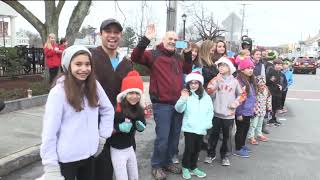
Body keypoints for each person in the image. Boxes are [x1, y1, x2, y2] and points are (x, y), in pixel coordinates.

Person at [40, 45, 114, 180]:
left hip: (90, 155)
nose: (84, 69)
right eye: (78, 64)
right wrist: (50, 166)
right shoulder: (58, 92)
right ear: (68, 65)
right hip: (67, 159)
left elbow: (108, 110)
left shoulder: (94, 86)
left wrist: (102, 137)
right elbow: (49, 132)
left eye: (87, 64)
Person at [131, 24, 192, 180]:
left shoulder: (178, 57)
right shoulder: (154, 54)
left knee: (174, 137)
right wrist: (146, 39)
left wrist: (188, 53)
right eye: (170, 38)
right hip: (162, 104)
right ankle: (156, 165)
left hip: (178, 103)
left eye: (175, 39)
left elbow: (188, 70)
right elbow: (135, 57)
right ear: (163, 40)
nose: (173, 41)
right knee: (163, 138)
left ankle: (167, 162)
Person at [90, 18, 133, 180]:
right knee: (101, 168)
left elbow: (131, 93)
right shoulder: (91, 58)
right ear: (100, 34)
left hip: (121, 123)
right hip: (97, 123)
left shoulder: (126, 63)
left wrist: (133, 117)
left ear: (120, 35)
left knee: (123, 168)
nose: (112, 36)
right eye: (108, 31)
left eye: (116, 32)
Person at [205, 57, 246, 166]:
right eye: (220, 65)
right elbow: (208, 92)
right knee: (213, 135)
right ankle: (210, 154)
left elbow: (242, 95)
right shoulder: (215, 79)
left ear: (229, 68)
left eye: (224, 65)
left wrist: (235, 103)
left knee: (227, 137)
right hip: (215, 113)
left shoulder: (235, 81)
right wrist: (215, 86)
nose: (221, 67)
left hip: (229, 115)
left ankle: (225, 156)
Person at [175, 72, 213, 179]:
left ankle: (193, 167)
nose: (193, 85)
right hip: (189, 127)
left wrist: (208, 123)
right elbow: (178, 109)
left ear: (200, 84)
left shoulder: (206, 97)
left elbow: (210, 110)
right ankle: (185, 167)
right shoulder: (187, 95)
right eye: (191, 83)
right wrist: (183, 99)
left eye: (196, 83)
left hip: (201, 127)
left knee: (197, 149)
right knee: (189, 148)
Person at [110, 70, 146, 180]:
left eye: (137, 93)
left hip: (130, 147)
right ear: (125, 94)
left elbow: (141, 123)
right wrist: (118, 128)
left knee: (134, 176)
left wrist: (141, 126)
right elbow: (107, 128)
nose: (134, 96)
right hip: (117, 149)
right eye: (131, 93)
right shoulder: (117, 109)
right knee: (122, 177)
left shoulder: (139, 108)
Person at [234, 58, 257, 158]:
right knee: (240, 130)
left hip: (248, 111)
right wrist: (238, 113)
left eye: (252, 67)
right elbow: (238, 99)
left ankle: (242, 145)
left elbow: (252, 97)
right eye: (248, 68)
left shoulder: (250, 80)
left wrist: (253, 109)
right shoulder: (240, 82)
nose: (250, 70)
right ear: (242, 70)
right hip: (242, 111)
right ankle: (238, 148)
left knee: (245, 129)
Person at [247, 76, 272, 145]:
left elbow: (269, 99)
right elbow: (251, 101)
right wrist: (252, 110)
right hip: (255, 111)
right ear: (257, 84)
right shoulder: (254, 91)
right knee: (253, 124)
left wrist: (269, 108)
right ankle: (251, 136)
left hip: (263, 110)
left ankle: (259, 134)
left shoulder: (266, 90)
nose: (262, 86)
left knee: (260, 124)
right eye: (260, 84)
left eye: (263, 84)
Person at [266, 59, 284, 126]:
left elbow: (281, 81)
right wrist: (276, 84)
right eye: (278, 65)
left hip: (278, 92)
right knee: (271, 106)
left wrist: (281, 86)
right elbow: (268, 82)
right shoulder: (271, 72)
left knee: (275, 107)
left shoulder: (279, 72)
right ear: (274, 65)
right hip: (272, 92)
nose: (279, 66)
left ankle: (274, 119)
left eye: (281, 65)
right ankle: (270, 119)